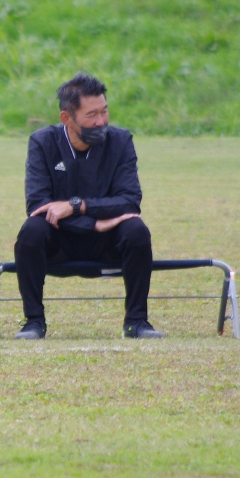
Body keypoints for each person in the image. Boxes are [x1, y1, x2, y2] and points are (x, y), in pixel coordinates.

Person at [12, 72, 162, 340]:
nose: (101, 121)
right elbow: (38, 205)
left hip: (107, 240)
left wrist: (76, 205)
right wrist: (94, 222)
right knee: (32, 230)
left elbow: (129, 201)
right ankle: (34, 322)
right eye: (91, 115)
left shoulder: (121, 141)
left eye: (104, 111)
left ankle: (136, 321)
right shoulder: (42, 142)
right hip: (60, 238)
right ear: (66, 118)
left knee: (136, 230)